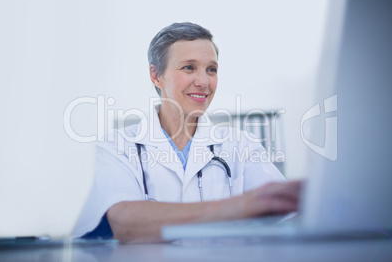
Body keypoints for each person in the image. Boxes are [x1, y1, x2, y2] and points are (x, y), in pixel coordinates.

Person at [74, 22, 301, 243]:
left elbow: (288, 213)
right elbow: (124, 222)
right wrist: (239, 206)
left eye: (211, 69)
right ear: (156, 76)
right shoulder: (117, 146)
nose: (203, 81)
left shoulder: (241, 145)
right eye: (189, 67)